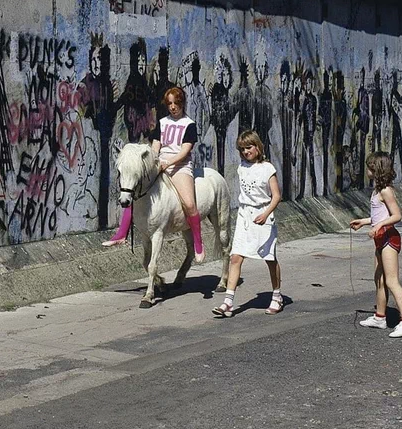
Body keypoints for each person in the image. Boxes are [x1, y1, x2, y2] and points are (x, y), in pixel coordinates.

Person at [104, 87, 205, 263]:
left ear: (182, 103)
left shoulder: (189, 124)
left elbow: (185, 151)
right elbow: (156, 145)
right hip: (161, 163)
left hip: (180, 167)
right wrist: (152, 160)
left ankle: (198, 242)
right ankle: (121, 234)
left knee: (189, 203)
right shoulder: (163, 122)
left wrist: (169, 162)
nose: (173, 107)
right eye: (170, 104)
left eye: (176, 103)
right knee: (135, 190)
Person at [213, 130, 282, 317]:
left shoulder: (268, 169)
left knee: (269, 258)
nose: (246, 152)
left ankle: (276, 296)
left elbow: (276, 196)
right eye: (242, 149)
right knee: (236, 257)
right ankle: (228, 302)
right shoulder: (241, 167)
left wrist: (266, 214)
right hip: (245, 216)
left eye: (249, 147)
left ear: (258, 147)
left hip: (263, 215)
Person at [350, 151, 402, 338]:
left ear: (376, 169)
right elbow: (380, 216)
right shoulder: (377, 191)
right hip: (380, 239)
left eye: (370, 167)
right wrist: (364, 221)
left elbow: (396, 216)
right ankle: (380, 317)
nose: (367, 170)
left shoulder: (386, 190)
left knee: (391, 281)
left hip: (389, 239)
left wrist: (378, 225)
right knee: (379, 279)